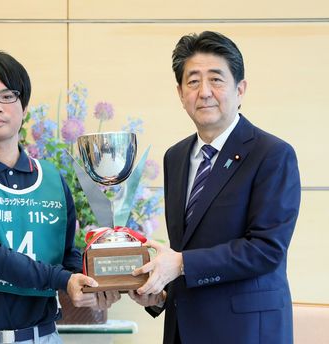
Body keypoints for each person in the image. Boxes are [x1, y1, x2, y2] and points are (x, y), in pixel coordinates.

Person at [0, 50, 119, 344]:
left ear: (23, 105)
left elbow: (67, 255)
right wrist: (63, 280)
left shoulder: (52, 179)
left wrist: (104, 281)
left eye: (7, 95)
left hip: (45, 336)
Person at [129, 31, 301, 343]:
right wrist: (160, 293)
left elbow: (266, 249)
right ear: (180, 94)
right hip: (184, 330)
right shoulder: (176, 157)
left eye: (216, 79)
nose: (204, 91)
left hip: (246, 332)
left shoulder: (272, 154)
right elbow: (188, 249)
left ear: (240, 89)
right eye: (193, 81)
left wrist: (180, 264)